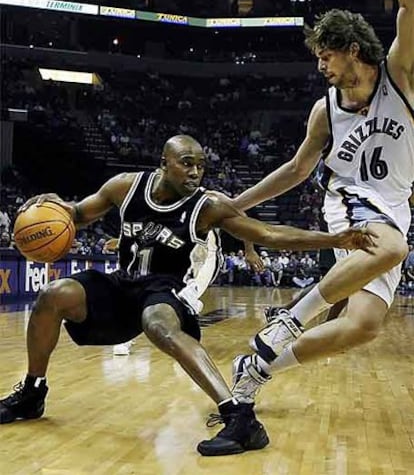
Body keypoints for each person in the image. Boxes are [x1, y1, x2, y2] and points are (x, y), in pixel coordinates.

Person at [0, 135, 374, 456]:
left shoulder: (207, 206)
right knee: (52, 294)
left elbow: (269, 233)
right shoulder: (124, 187)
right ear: (164, 164)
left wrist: (334, 238)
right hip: (122, 284)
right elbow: (78, 214)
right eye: (186, 164)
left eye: (200, 166)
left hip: (166, 290)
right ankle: (32, 392)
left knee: (157, 323)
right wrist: (54, 207)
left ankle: (239, 418)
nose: (195, 172)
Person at [231, 0, 414, 404]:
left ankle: (259, 366)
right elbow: (296, 169)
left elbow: (412, 4)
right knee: (391, 248)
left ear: (351, 50)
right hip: (351, 202)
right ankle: (287, 320)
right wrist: (235, 206)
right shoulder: (325, 110)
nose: (321, 66)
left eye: (325, 57)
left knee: (362, 327)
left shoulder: (399, 76)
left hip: (395, 207)